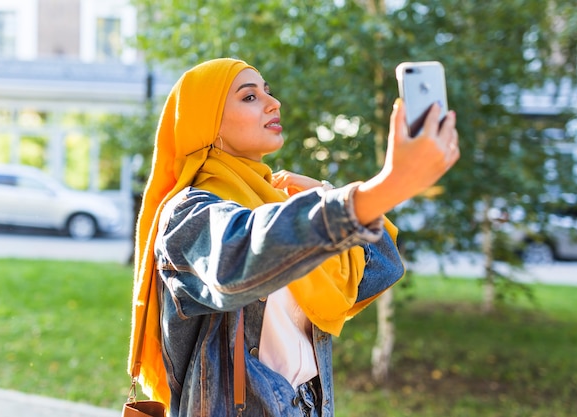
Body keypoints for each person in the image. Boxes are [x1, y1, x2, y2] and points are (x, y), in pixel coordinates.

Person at [128, 58, 459, 417]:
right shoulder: (188, 214)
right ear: (208, 123)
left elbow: (382, 267)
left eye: (268, 92)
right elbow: (240, 255)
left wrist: (325, 191)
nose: (274, 103)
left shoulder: (281, 204)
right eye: (249, 97)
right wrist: (379, 190)